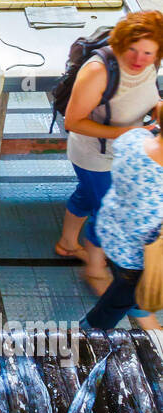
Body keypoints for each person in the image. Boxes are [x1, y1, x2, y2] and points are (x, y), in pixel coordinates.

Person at [56, 11, 163, 322]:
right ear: (120, 44)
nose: (140, 59)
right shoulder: (99, 70)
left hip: (126, 147)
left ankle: (66, 243)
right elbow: (74, 121)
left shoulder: (149, 63)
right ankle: (95, 268)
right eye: (133, 50)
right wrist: (127, 133)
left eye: (149, 52)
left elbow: (146, 95)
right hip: (96, 155)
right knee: (107, 209)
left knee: (87, 196)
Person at [80, 102, 163, 331]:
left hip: (111, 230)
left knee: (125, 284)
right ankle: (88, 332)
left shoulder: (134, 139)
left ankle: (136, 306)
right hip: (137, 259)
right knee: (116, 303)